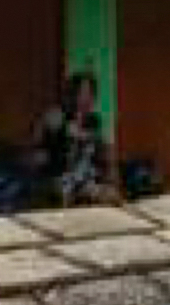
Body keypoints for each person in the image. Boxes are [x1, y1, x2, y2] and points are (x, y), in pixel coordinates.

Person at [37, 71, 113, 207]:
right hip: (59, 176)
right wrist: (78, 133)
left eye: (91, 93)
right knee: (67, 196)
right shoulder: (56, 113)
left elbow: (100, 147)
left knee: (109, 195)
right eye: (83, 93)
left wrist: (106, 166)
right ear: (73, 94)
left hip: (85, 176)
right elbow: (52, 129)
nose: (87, 98)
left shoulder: (94, 120)